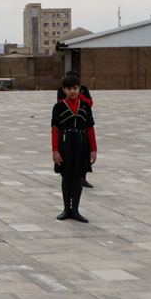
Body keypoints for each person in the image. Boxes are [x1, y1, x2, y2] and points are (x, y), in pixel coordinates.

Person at [52, 73, 98, 223]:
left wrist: (94, 149)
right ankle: (66, 209)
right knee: (66, 177)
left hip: (81, 144)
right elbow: (55, 130)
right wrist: (55, 151)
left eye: (75, 88)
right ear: (64, 89)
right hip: (65, 144)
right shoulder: (58, 107)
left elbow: (90, 128)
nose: (73, 91)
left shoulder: (84, 106)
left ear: (79, 88)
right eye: (69, 88)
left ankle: (76, 210)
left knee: (78, 177)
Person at [56, 70, 95, 188]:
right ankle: (68, 176)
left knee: (83, 153)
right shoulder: (61, 90)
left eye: (75, 85)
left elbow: (89, 103)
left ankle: (83, 177)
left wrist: (79, 95)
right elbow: (60, 103)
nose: (72, 89)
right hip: (67, 127)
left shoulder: (83, 90)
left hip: (82, 124)